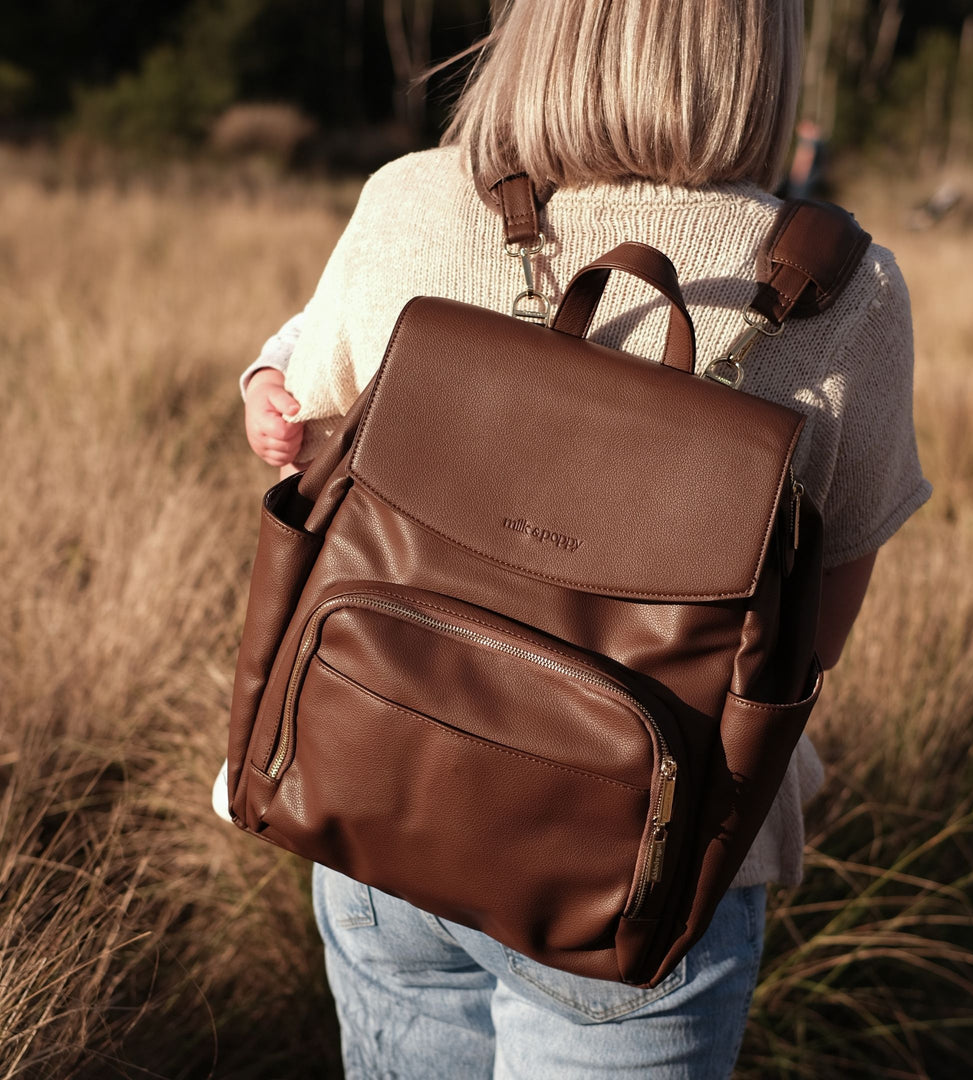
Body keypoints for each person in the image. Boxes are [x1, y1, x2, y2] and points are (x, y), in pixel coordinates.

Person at [237, 2, 931, 1076]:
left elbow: (304, 429)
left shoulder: (411, 199)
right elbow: (814, 642)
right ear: (758, 50)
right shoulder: (849, 295)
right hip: (633, 879)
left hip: (373, 791)